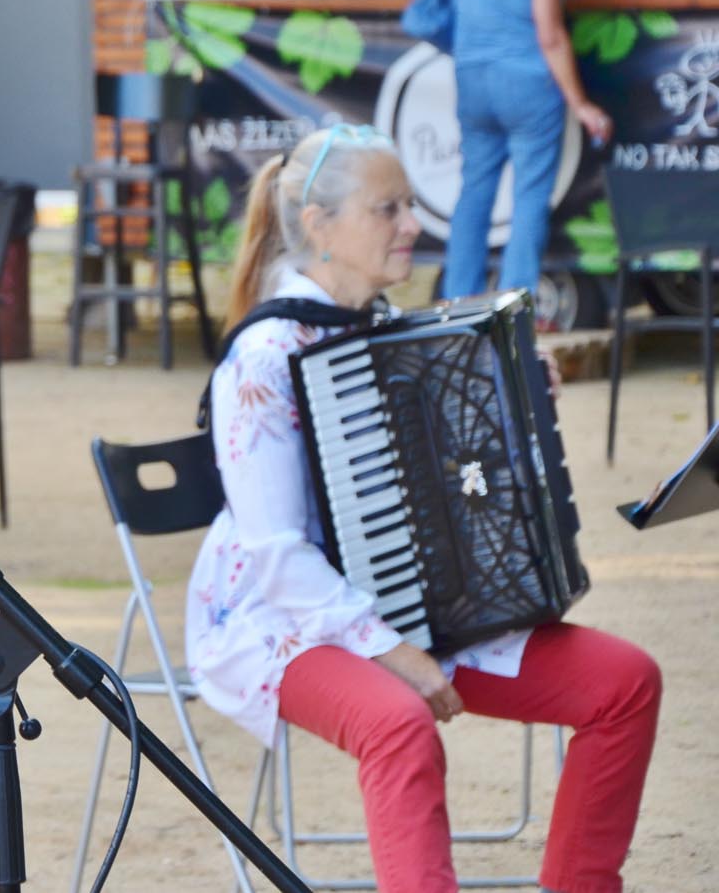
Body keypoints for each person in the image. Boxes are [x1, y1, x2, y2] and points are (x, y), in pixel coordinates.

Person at [193, 125, 661, 893]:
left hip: (413, 603)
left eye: (410, 204)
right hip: (279, 619)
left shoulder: (386, 331)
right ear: (321, 227)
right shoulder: (266, 356)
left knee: (624, 683)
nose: (415, 224)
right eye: (390, 209)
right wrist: (392, 650)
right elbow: (278, 555)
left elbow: (457, 485)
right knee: (399, 723)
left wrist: (516, 398)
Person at [441, 0, 613, 301]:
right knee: (530, 197)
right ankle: (514, 306)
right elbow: (550, 37)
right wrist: (580, 103)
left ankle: (459, 299)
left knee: (474, 192)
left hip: (473, 84)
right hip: (528, 91)